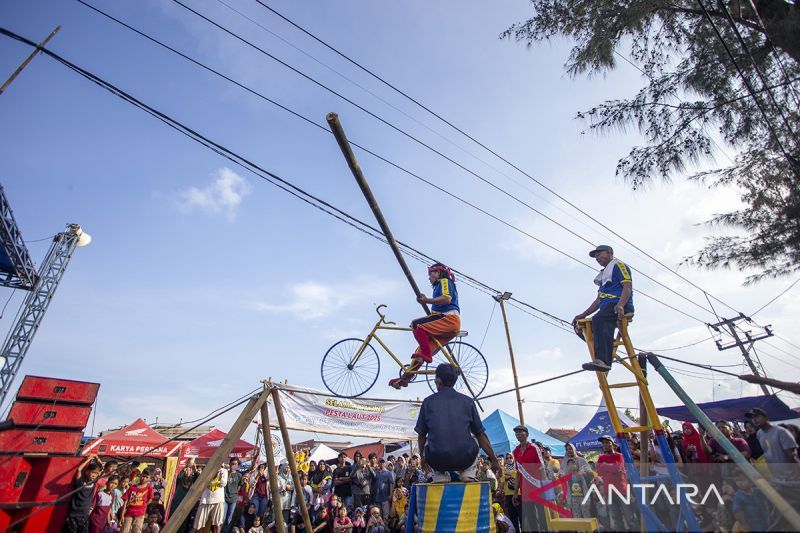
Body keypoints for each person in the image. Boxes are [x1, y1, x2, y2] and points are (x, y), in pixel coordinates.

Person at [415, 363, 500, 483]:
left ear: (438, 381)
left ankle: (440, 475)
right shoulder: (468, 401)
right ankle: (468, 473)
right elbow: (481, 436)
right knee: (476, 435)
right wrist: (495, 460)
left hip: (436, 460)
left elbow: (421, 436)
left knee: (427, 438)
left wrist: (423, 458)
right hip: (465, 459)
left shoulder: (428, 402)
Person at [389, 263, 461, 389]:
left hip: (449, 319)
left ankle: (427, 353)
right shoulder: (437, 287)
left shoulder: (445, 281)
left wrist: (427, 300)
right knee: (419, 353)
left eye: (431, 274)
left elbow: (447, 299)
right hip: (446, 324)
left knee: (416, 325)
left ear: (439, 272)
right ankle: (404, 379)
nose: (429, 278)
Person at [572, 245, 634, 372]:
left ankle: (603, 360)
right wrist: (582, 314)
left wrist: (621, 305)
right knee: (581, 327)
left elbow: (627, 286)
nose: (597, 258)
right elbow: (598, 300)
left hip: (619, 304)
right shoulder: (603, 275)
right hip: (607, 308)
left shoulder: (618, 265)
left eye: (599, 254)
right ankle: (606, 344)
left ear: (610, 252)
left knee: (599, 319)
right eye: (595, 257)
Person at [746, 407, 800, 481]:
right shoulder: (759, 434)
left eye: (757, 416)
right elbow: (767, 454)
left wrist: (797, 475)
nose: (754, 420)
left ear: (765, 417)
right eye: (752, 418)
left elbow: (792, 456)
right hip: (777, 477)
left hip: (792, 476)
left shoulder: (781, 431)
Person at [594, 435, 635, 531]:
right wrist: (611, 467)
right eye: (603, 443)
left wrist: (605, 466)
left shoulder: (619, 456)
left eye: (607, 442)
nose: (605, 445)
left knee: (630, 517)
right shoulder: (601, 457)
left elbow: (617, 468)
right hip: (608, 491)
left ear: (613, 444)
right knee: (616, 518)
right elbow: (599, 471)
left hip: (621, 490)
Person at [511, 425, 546, 533]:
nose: (518, 435)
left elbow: (542, 468)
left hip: (538, 487)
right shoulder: (515, 451)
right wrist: (515, 492)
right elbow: (518, 473)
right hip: (525, 490)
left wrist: (545, 487)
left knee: (543, 516)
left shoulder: (534, 448)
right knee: (531, 518)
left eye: (520, 432)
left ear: (526, 434)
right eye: (516, 433)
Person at [64, 455, 101, 533]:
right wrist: (88, 460)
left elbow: (102, 469)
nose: (94, 475)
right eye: (93, 472)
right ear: (87, 472)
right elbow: (79, 470)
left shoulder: (93, 483)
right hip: (74, 515)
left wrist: (97, 458)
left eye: (96, 473)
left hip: (84, 516)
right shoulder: (80, 482)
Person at [194, 464, 228, 533]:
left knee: (217, 524)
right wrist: (213, 476)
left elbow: (224, 484)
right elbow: (203, 482)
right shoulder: (206, 470)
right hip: (205, 499)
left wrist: (220, 477)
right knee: (198, 525)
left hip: (219, 500)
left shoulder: (224, 471)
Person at [121, 468, 154, 533]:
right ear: (140, 475)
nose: (144, 478)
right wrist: (122, 515)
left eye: (146, 477)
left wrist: (143, 506)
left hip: (140, 514)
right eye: (143, 476)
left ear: (150, 479)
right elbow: (125, 502)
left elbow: (150, 499)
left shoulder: (149, 488)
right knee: (124, 530)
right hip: (129, 513)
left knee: (137, 531)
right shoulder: (132, 487)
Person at [224, 459, 245, 529]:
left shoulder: (239, 475)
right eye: (233, 464)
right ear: (230, 464)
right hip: (225, 498)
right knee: (223, 517)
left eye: (236, 464)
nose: (234, 465)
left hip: (233, 498)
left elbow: (240, 485)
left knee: (229, 517)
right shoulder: (226, 472)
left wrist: (236, 492)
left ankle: (226, 531)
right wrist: (230, 473)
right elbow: (224, 482)